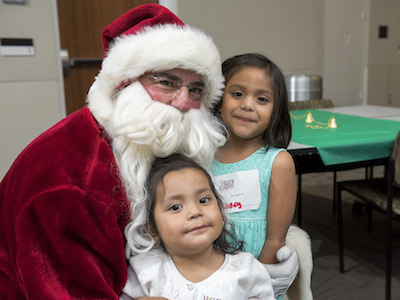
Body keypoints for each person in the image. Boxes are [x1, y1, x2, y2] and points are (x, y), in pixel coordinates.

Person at [0, 4, 227, 299]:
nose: (184, 102)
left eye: (196, 89)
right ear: (124, 85)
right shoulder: (72, 181)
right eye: (166, 83)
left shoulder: (129, 145)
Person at [210, 53, 312, 298]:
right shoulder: (203, 157)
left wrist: (257, 286)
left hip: (256, 271)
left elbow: (275, 239)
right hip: (210, 267)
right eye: (237, 94)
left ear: (275, 109)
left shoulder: (277, 162)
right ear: (218, 99)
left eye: (262, 99)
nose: (248, 104)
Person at [120, 154, 275, 299]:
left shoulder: (247, 270)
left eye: (203, 200)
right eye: (175, 207)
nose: (195, 212)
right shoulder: (145, 272)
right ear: (152, 228)